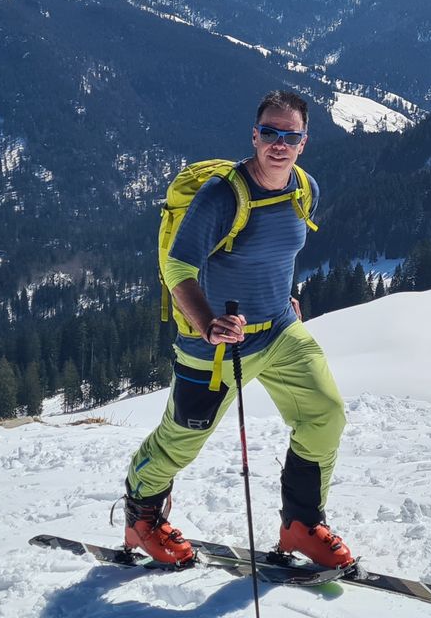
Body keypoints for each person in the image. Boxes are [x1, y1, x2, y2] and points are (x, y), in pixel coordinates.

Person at [122, 90, 353, 569]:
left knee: (325, 414)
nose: (278, 144)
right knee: (183, 436)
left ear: (304, 142)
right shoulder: (221, 196)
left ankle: (301, 524)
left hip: (281, 331)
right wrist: (207, 323)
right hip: (217, 342)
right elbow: (177, 267)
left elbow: (279, 249)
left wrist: (285, 294)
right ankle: (141, 516)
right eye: (269, 132)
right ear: (254, 135)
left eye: (290, 136)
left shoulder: (304, 188)